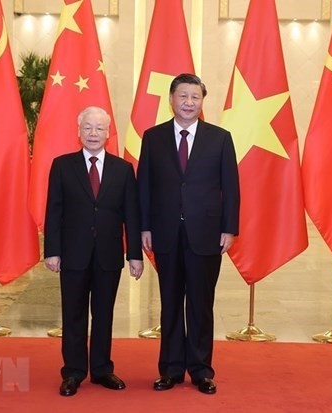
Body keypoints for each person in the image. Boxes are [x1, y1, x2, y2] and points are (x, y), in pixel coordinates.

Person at [137, 73, 240, 395]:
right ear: (172, 99)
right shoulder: (153, 137)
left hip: (206, 233)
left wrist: (229, 228)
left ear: (202, 101)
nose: (188, 102)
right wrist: (145, 226)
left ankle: (200, 370)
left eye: (195, 97)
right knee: (169, 303)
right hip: (165, 233)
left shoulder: (220, 138)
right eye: (183, 96)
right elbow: (144, 187)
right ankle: (169, 369)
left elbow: (231, 188)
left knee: (200, 303)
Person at [44, 106, 143, 397]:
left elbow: (132, 215)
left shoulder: (123, 169)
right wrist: (52, 250)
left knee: (103, 314)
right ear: (78, 131)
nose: (93, 133)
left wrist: (134, 254)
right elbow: (54, 211)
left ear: (108, 133)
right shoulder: (62, 165)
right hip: (73, 254)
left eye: (99, 128)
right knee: (73, 314)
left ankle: (102, 369)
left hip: (109, 255)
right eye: (87, 127)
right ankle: (73, 372)